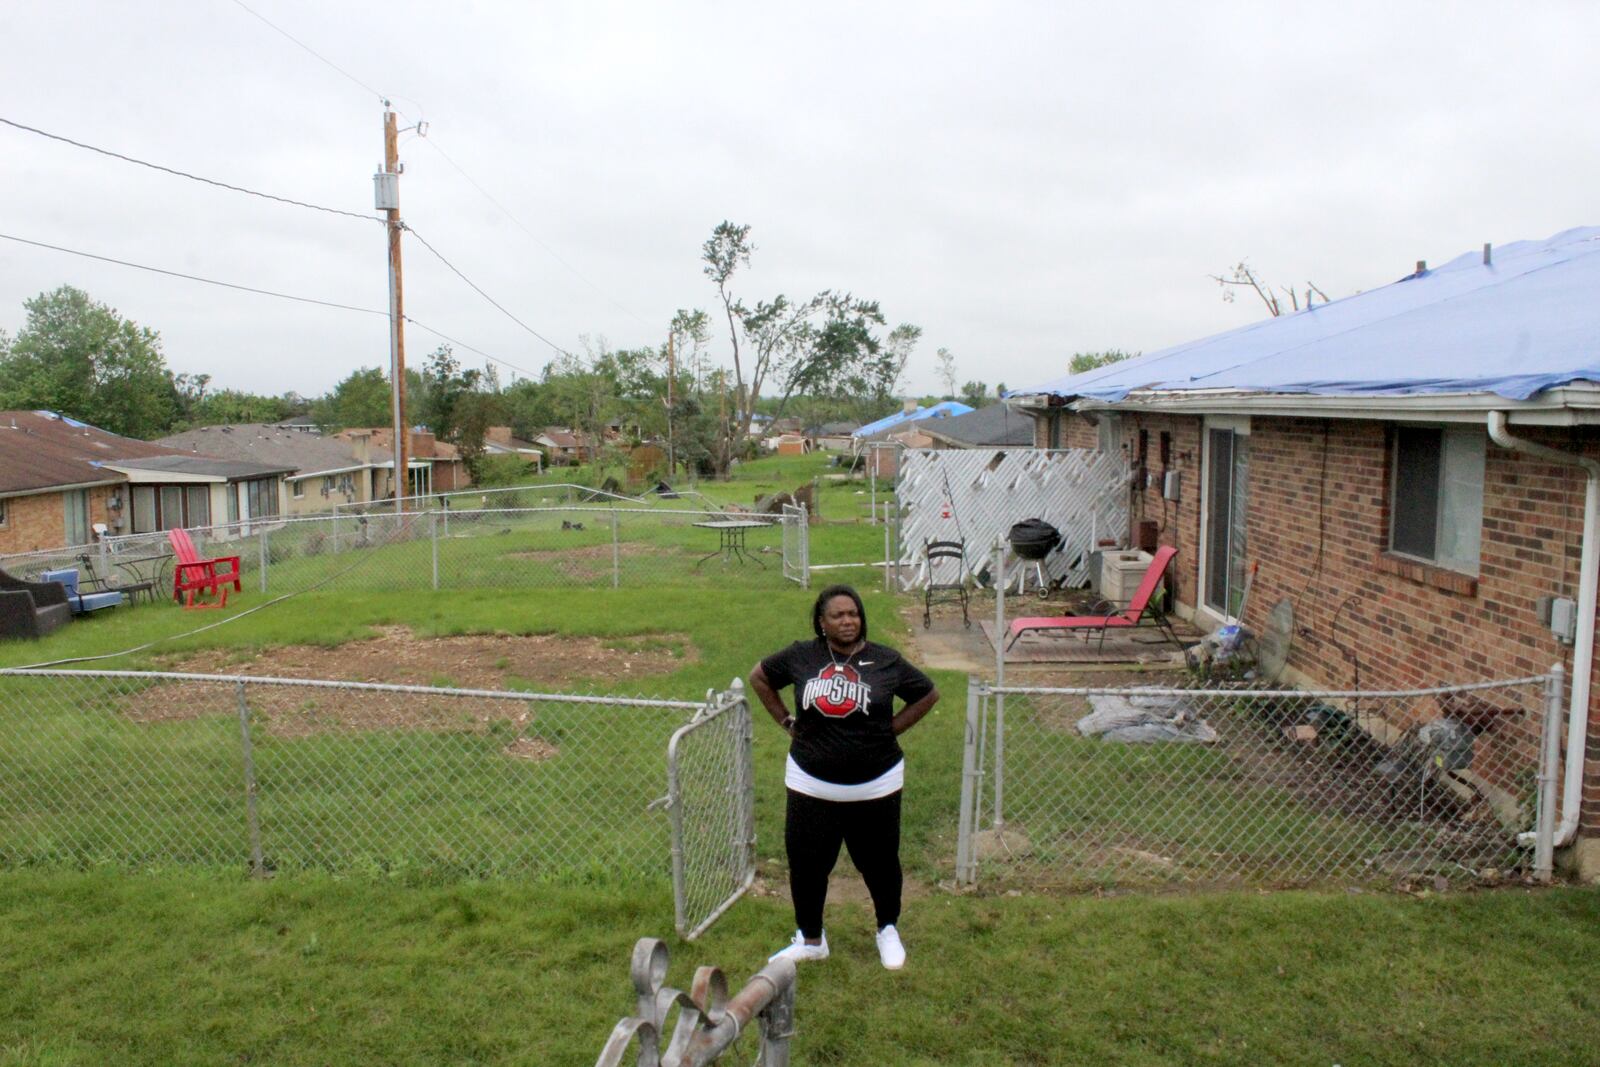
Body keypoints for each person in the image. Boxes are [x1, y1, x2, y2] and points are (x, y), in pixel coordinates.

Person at [749, 584, 939, 970]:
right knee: (806, 863)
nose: (848, 620)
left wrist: (890, 730)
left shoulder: (885, 660)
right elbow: (760, 677)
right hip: (810, 781)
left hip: (877, 783)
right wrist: (786, 719)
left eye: (853, 613)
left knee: (881, 862)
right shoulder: (802, 655)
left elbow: (927, 694)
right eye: (838, 615)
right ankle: (811, 938)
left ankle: (887, 930)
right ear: (822, 622)